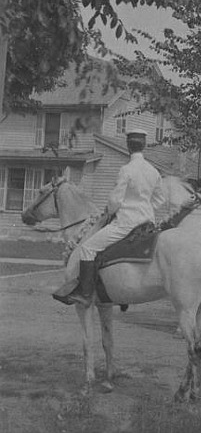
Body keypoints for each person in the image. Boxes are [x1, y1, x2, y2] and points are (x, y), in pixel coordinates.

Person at [54, 130, 165, 306]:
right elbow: (160, 199)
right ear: (143, 146)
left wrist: (111, 211)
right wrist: (145, 209)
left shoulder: (126, 170)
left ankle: (85, 293)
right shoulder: (153, 171)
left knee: (87, 249)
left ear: (128, 146)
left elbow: (115, 200)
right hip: (146, 223)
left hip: (125, 222)